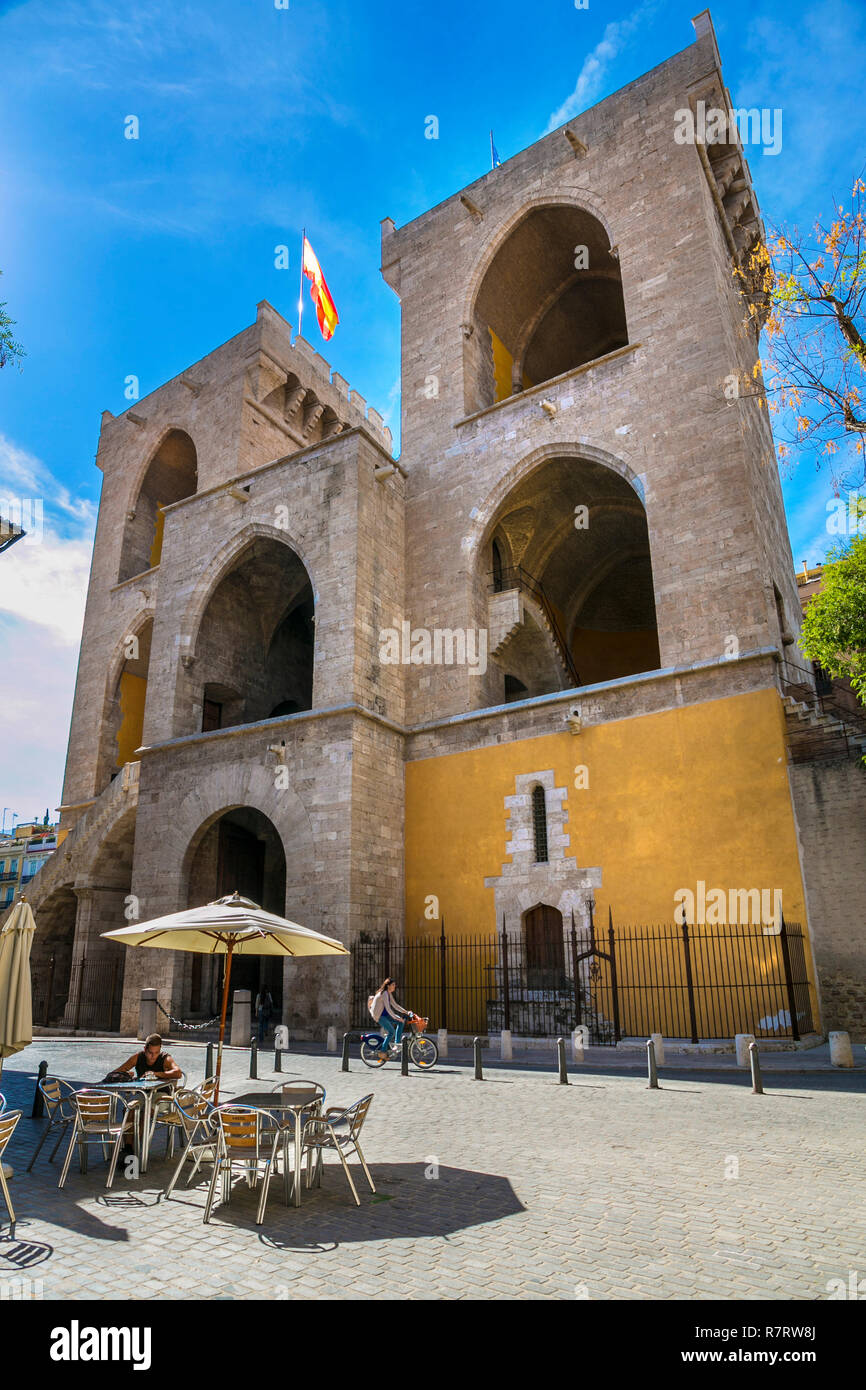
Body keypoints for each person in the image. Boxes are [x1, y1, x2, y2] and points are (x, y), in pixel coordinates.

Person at [116, 1034, 183, 1082]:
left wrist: (155, 1074)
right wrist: (125, 1075)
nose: (153, 1056)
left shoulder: (165, 1058)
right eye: (150, 1053)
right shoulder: (137, 1057)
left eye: (157, 1052)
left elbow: (178, 1073)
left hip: (161, 1093)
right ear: (145, 1049)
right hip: (141, 1092)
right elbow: (115, 1073)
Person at [377, 979, 412, 1054]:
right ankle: (383, 1050)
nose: (394, 986)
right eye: (393, 985)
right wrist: (397, 1018)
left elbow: (395, 1006)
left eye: (394, 985)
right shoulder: (384, 993)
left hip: (386, 1015)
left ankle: (397, 1044)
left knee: (401, 1023)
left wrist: (406, 1012)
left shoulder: (389, 993)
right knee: (391, 1032)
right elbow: (388, 1008)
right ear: (388, 986)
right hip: (380, 1016)